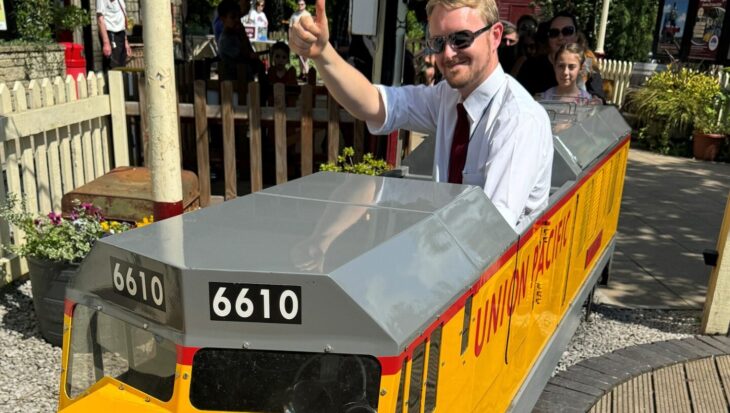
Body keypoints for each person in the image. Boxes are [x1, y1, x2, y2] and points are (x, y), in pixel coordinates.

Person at [290, 0, 553, 231]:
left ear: (495, 36)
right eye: (438, 43)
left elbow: (492, 231)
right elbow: (374, 103)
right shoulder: (448, 97)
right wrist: (323, 55)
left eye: (461, 39)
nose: (448, 54)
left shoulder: (517, 120)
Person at [516, 11, 605, 102]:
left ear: (577, 36)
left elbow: (599, 96)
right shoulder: (531, 66)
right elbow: (517, 99)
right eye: (554, 33)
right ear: (548, 38)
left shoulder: (588, 64)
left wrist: (596, 101)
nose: (560, 37)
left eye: (567, 31)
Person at [217, 0, 267, 83]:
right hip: (233, 85)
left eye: (239, 17)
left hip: (244, 82)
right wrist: (242, 34)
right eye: (233, 17)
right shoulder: (225, 40)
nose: (237, 20)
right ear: (223, 19)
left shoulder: (236, 35)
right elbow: (245, 57)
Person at [97, 0, 131, 70]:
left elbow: (122, 19)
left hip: (121, 34)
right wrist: (106, 43)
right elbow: (100, 19)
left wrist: (126, 41)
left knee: (122, 66)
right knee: (113, 67)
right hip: (111, 34)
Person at [289, 0, 312, 79]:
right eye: (299, 4)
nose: (300, 6)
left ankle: (306, 73)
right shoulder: (294, 15)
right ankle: (302, 73)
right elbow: (290, 28)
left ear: (305, 5)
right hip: (297, 39)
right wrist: (290, 38)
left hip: (306, 39)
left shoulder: (308, 15)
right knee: (300, 57)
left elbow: (311, 28)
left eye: (302, 4)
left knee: (306, 57)